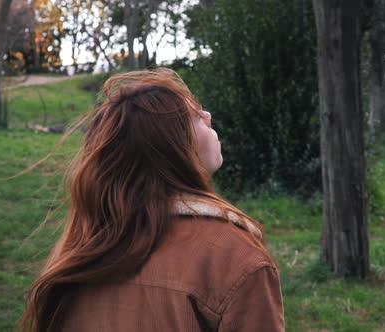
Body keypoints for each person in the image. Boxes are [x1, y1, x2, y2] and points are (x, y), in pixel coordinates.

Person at [19, 68, 284, 332]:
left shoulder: (84, 249)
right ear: (169, 143)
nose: (208, 116)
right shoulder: (236, 256)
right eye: (194, 115)